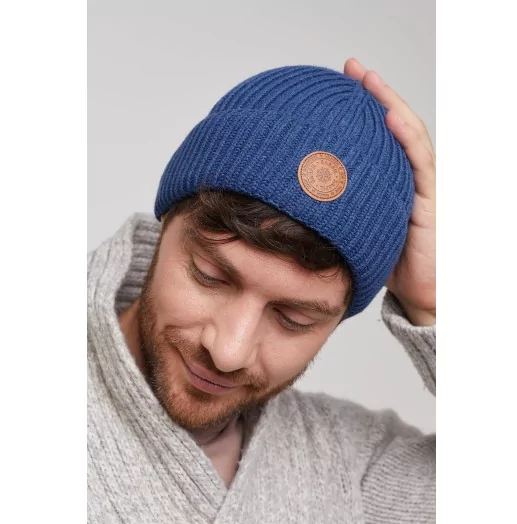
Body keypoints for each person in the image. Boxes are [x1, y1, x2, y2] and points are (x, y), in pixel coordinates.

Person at [87, 58, 436, 523]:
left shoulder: (354, 468)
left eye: (293, 319)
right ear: (166, 223)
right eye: (209, 277)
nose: (228, 352)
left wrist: (433, 304)